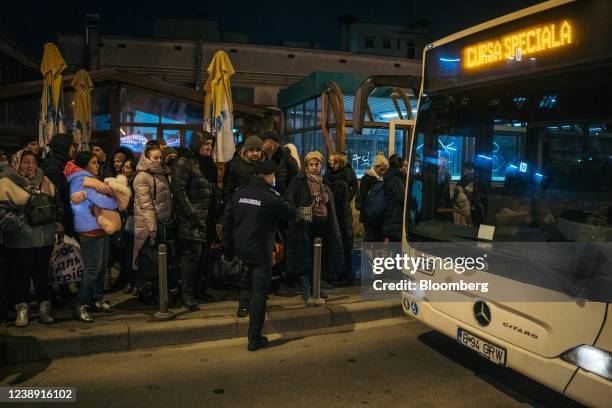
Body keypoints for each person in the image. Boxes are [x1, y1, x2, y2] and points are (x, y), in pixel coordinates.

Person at [222, 160, 296, 351]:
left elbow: (227, 224)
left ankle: (242, 307)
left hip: (241, 248)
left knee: (247, 281)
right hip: (260, 252)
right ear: (269, 176)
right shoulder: (269, 196)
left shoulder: (239, 194)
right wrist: (283, 191)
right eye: (274, 177)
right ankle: (254, 337)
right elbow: (290, 212)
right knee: (259, 293)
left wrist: (228, 249)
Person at [0, 150, 61, 327]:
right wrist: (22, 224)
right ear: (17, 163)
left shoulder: (44, 180)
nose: (29, 165)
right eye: (25, 162)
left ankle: (44, 309)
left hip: (45, 239)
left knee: (43, 275)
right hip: (20, 241)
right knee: (21, 276)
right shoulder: (6, 182)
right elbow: (2, 213)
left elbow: (56, 203)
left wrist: (55, 224)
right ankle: (22, 310)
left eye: (32, 162)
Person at [65, 152, 118, 322]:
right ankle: (80, 304)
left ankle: (97, 298)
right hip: (89, 229)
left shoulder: (91, 180)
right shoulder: (81, 180)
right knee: (93, 269)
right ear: (85, 165)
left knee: (102, 267)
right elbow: (107, 202)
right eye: (94, 163)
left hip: (101, 228)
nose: (98, 165)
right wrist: (110, 199)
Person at [286, 151, 344, 300]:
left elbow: (329, 201)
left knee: (318, 257)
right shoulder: (298, 181)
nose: (314, 167)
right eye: (311, 164)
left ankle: (316, 287)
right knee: (305, 257)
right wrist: (297, 213)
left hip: (322, 223)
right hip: (304, 224)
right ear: (306, 166)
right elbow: (289, 198)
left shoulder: (324, 182)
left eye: (316, 164)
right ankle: (306, 288)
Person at [173, 131, 216, 310]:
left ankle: (199, 289)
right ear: (197, 143)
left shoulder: (207, 163)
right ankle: (187, 295)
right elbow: (179, 190)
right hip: (192, 219)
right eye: (205, 143)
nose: (209, 147)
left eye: (211, 144)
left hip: (206, 217)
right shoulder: (184, 161)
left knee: (203, 256)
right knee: (192, 256)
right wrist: (192, 214)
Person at [132, 145, 173, 299]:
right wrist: (152, 230)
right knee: (148, 260)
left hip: (162, 223)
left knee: (158, 261)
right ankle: (146, 292)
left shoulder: (161, 174)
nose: (158, 160)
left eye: (160, 157)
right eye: (155, 157)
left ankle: (156, 291)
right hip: (148, 226)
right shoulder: (142, 177)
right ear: (146, 158)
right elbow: (146, 205)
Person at [324, 153, 357, 285]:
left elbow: (334, 202)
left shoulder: (339, 182)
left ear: (339, 164)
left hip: (341, 219)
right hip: (343, 218)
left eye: (333, 162)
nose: (330, 164)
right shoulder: (342, 177)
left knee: (342, 247)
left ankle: (343, 276)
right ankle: (342, 275)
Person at [40, 133, 78, 237]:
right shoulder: (54, 168)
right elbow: (54, 199)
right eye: (71, 146)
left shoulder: (63, 165)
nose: (73, 150)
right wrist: (59, 222)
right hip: (59, 224)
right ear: (64, 147)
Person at [358, 154, 388, 242]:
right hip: (369, 217)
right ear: (375, 167)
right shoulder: (366, 179)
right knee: (370, 239)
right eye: (382, 169)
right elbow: (363, 198)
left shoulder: (382, 179)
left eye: (385, 170)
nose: (383, 172)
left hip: (378, 216)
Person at [382, 155, 406, 242]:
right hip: (395, 217)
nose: (406, 168)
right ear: (400, 166)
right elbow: (402, 199)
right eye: (405, 166)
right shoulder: (396, 180)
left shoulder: (389, 177)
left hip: (390, 215)